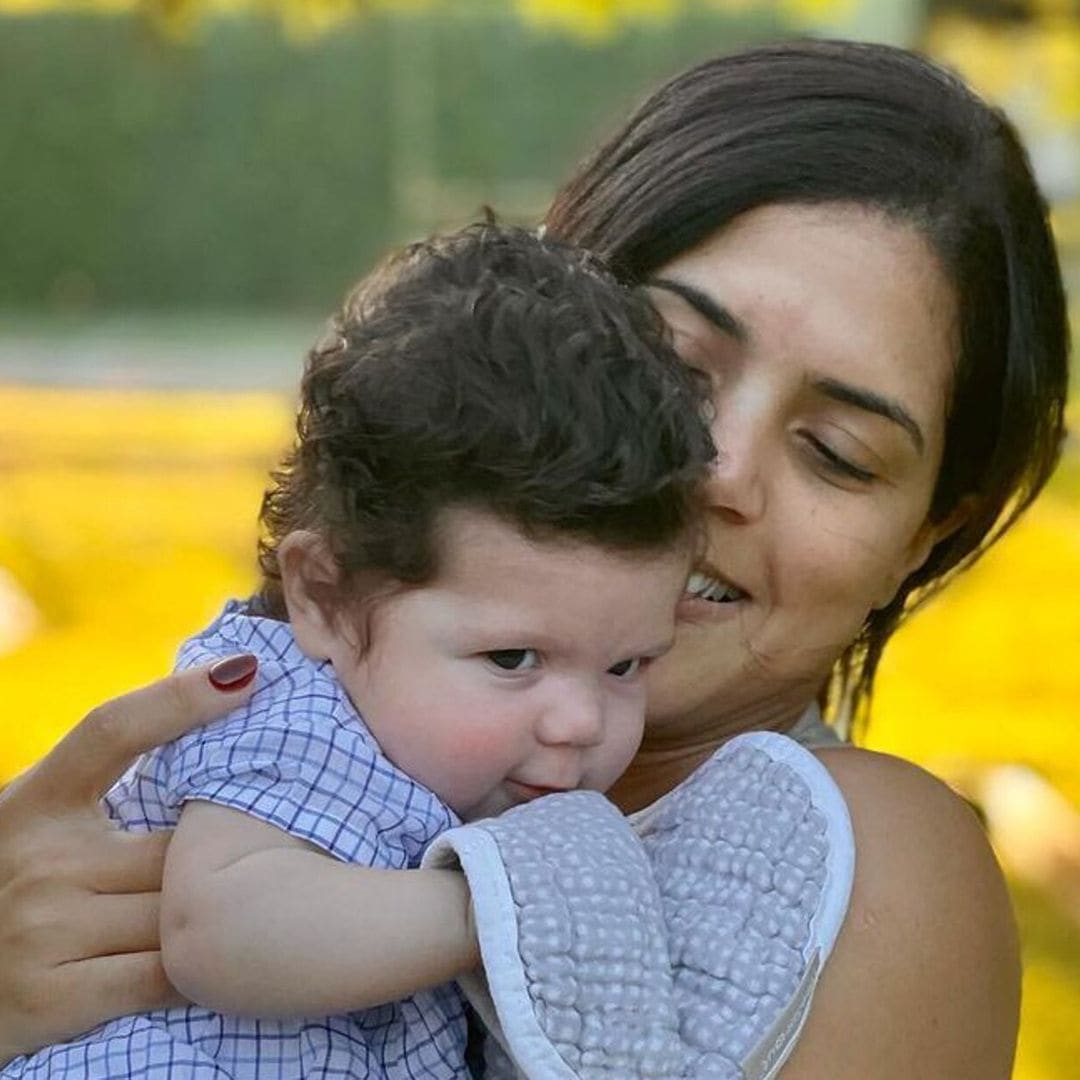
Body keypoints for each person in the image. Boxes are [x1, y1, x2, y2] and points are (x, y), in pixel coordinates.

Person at [0, 39, 1069, 1078]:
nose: (716, 471)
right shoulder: (322, 738)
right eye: (671, 365)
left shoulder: (863, 869)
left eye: (837, 454)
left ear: (930, 534)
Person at [1, 224, 710, 1077]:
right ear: (325, 598)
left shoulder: (427, 748)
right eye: (513, 659)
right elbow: (221, 935)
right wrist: (508, 907)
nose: (580, 721)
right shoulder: (289, 712)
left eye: (626, 665)